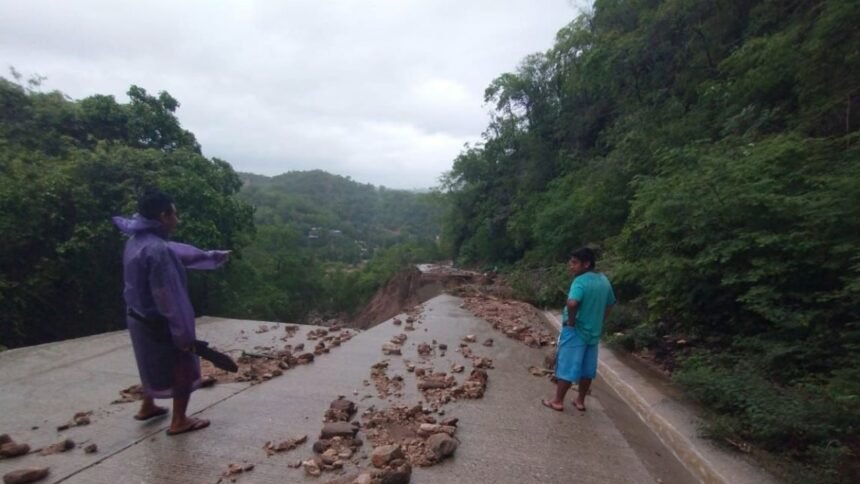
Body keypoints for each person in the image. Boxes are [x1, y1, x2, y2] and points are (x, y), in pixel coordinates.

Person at [112, 190, 230, 435]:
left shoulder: (137, 241)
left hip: (137, 318)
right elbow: (170, 298)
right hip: (159, 321)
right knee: (181, 367)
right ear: (163, 216)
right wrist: (184, 335)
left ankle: (148, 405)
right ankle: (179, 420)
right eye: (175, 214)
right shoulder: (158, 251)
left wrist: (208, 257)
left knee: (149, 362)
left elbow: (176, 250)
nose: (178, 219)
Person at [542, 247, 615, 412]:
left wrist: (572, 321)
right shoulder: (603, 280)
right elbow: (611, 304)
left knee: (567, 365)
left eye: (574, 263)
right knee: (587, 369)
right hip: (593, 332)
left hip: (575, 331)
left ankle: (558, 401)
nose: (571, 266)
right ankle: (580, 401)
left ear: (586, 264)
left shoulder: (580, 281)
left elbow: (572, 303)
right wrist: (600, 320)